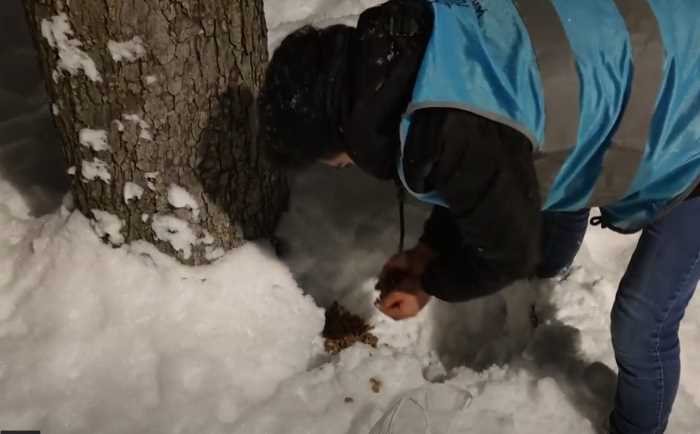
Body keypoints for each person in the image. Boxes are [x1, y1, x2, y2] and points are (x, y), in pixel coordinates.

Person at [257, 1, 700, 433]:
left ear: (338, 135)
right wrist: (430, 250)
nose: (334, 168)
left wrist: (429, 285)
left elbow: (506, 250)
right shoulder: (412, 45)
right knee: (547, 173)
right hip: (654, 45)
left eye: (325, 160)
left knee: (641, 322)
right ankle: (547, 280)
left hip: (687, 127)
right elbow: (482, 164)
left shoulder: (453, 131)